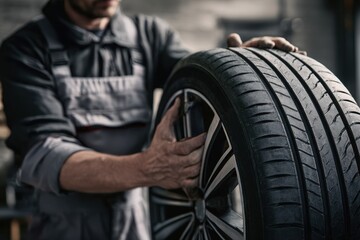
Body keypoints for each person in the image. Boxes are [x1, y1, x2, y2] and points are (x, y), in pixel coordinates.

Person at [0, 0, 300, 239]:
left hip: (137, 221)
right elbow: (45, 154)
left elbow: (198, 83)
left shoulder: (149, 36)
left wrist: (238, 71)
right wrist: (148, 168)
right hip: (63, 225)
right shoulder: (26, 48)